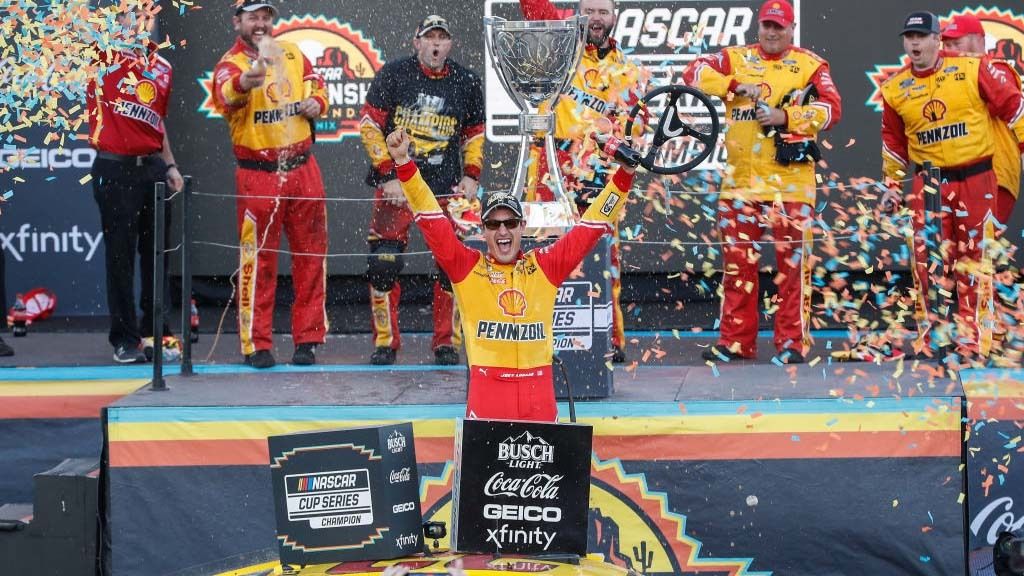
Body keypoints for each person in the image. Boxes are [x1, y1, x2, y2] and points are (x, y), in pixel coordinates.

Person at [386, 126, 635, 421]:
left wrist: (624, 176)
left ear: (521, 227)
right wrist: (404, 164)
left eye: (510, 223)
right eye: (493, 224)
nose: (502, 231)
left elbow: (593, 224)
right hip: (487, 405)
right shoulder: (466, 267)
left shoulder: (545, 266)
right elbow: (430, 217)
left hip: (540, 404)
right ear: (484, 230)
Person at [683, 0, 842, 364]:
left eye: (779, 26)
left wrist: (784, 116)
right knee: (738, 269)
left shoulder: (810, 64)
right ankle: (736, 342)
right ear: (759, 27)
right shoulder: (735, 57)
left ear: (791, 29)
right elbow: (692, 73)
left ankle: (790, 344)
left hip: (791, 186)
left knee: (792, 272)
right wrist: (735, 84)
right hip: (739, 184)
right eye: (767, 25)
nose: (772, 32)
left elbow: (832, 109)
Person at [880, 11, 1024, 359]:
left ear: (936, 40)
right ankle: (933, 339)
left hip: (977, 177)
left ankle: (973, 342)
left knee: (974, 262)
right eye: (909, 37)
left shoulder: (971, 68)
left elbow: (1014, 108)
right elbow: (893, 144)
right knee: (928, 262)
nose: (914, 43)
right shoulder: (895, 88)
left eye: (921, 36)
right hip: (928, 184)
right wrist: (891, 186)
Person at [519, 0, 645, 364]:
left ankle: (610, 338)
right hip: (550, 170)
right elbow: (532, 7)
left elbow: (638, 127)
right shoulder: (560, 49)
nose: (596, 18)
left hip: (600, 173)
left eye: (602, 12)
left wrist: (611, 141)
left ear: (615, 17)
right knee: (541, 253)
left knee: (605, 257)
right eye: (588, 10)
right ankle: (537, 336)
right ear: (576, 13)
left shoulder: (630, 72)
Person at [359, 15, 485, 366]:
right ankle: (385, 342)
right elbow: (369, 126)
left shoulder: (466, 81)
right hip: (398, 184)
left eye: (441, 38)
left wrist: (472, 176)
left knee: (452, 266)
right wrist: (387, 175)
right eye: (429, 37)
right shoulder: (394, 73)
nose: (435, 44)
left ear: (450, 44)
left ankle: (447, 342)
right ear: (416, 43)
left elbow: (474, 133)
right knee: (383, 261)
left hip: (445, 189)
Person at [213, 0, 329, 369]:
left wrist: (317, 102)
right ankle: (256, 343)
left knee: (311, 257)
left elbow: (318, 86)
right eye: (253, 18)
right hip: (258, 174)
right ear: (238, 22)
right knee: (257, 261)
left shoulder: (293, 53)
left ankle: (308, 340)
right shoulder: (230, 64)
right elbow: (227, 93)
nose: (260, 23)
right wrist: (250, 78)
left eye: (265, 17)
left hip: (303, 167)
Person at [87, 1, 184, 364]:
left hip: (152, 169)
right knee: (121, 257)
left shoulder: (163, 67)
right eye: (130, 15)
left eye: (145, 16)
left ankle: (157, 334)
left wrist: (171, 166)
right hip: (115, 169)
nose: (138, 22)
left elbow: (158, 125)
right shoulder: (103, 58)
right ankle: (125, 338)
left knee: (157, 256)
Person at [941, 14, 1022, 226]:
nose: (950, 49)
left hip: (995, 175)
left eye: (956, 42)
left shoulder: (998, 68)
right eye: (946, 44)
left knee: (978, 249)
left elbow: (995, 104)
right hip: (956, 178)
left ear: (980, 41)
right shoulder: (945, 80)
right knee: (948, 253)